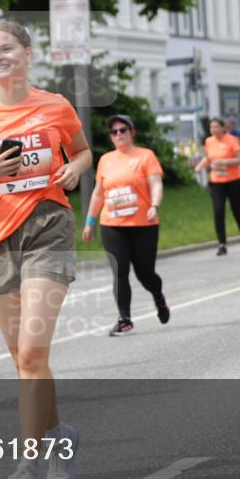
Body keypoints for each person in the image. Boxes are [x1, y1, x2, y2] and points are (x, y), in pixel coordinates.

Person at [0, 19, 92, 479]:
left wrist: (74, 168)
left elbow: (81, 152)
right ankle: (61, 438)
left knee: (32, 354)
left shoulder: (55, 106)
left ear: (28, 54)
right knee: (23, 360)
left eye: (6, 48)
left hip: (49, 227)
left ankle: (28, 465)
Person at [82, 114, 169, 337]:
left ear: (132, 132)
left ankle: (158, 297)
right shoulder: (106, 160)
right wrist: (90, 222)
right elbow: (98, 193)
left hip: (143, 224)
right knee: (120, 272)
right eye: (114, 132)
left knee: (145, 273)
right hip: (112, 224)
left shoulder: (145, 156)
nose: (119, 134)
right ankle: (125, 320)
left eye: (123, 130)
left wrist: (155, 205)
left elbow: (156, 184)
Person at [195, 118, 240, 256]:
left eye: (216, 127)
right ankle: (222, 244)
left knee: (238, 212)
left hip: (234, 181)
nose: (213, 130)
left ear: (222, 128)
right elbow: (208, 158)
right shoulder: (209, 141)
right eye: (211, 127)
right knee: (218, 212)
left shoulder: (231, 140)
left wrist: (224, 162)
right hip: (217, 182)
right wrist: (200, 166)